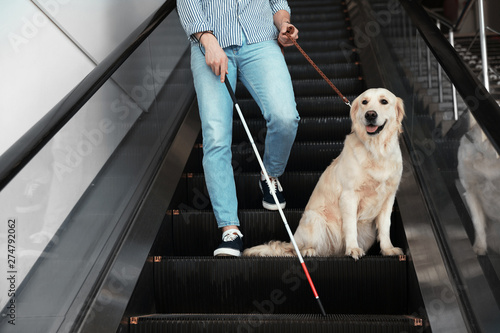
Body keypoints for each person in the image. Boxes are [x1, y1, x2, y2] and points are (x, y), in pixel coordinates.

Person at [177, 0, 300, 256]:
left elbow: (277, 3)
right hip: (210, 43)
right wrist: (207, 40)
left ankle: (270, 175)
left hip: (260, 40)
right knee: (216, 137)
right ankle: (229, 229)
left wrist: (283, 24)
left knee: (285, 117)